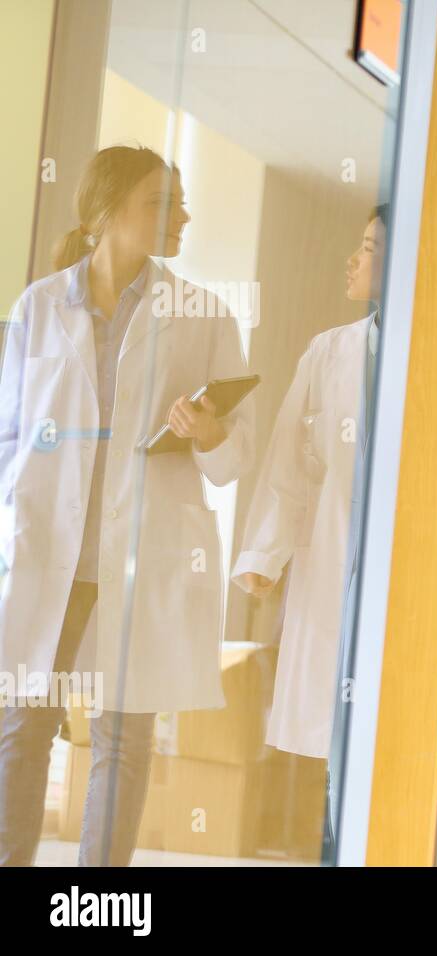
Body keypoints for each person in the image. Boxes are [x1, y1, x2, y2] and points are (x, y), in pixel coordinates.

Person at [0, 145, 253, 865]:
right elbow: (8, 436)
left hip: (141, 560)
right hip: (48, 555)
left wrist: (208, 433)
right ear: (108, 213)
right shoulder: (40, 307)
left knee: (123, 738)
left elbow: (236, 456)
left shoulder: (203, 316)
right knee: (24, 727)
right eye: (162, 202)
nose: (183, 216)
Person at [231, 207, 386, 859]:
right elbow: (288, 464)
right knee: (335, 739)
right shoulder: (330, 351)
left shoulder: (436, 350)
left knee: (384, 738)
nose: (352, 259)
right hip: (331, 561)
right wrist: (266, 553)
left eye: (370, 248)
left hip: (397, 570)